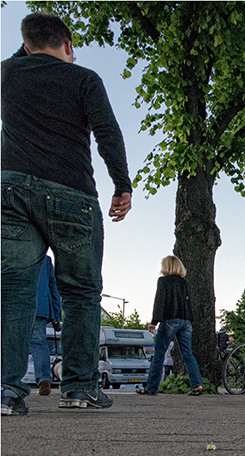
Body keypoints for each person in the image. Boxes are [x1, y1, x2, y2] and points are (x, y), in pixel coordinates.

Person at [1, 12, 133, 416]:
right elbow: (107, 130)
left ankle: (6, 390)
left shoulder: (7, 72)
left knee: (15, 289)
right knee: (80, 291)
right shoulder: (84, 78)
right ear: (69, 46)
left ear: (25, 46)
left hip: (11, 189)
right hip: (71, 193)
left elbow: (18, 58)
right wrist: (122, 184)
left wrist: (24, 52)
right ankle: (78, 388)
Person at [137, 256, 203, 396]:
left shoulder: (163, 281)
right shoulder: (184, 283)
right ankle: (197, 384)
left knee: (159, 354)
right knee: (187, 354)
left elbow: (160, 300)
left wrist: (154, 321)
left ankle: (152, 387)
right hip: (185, 321)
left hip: (170, 320)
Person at [31, 254, 61, 396]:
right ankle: (44, 379)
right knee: (39, 344)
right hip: (40, 306)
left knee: (11, 343)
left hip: (15, 306)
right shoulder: (46, 260)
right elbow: (52, 287)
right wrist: (56, 314)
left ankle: (8, 383)